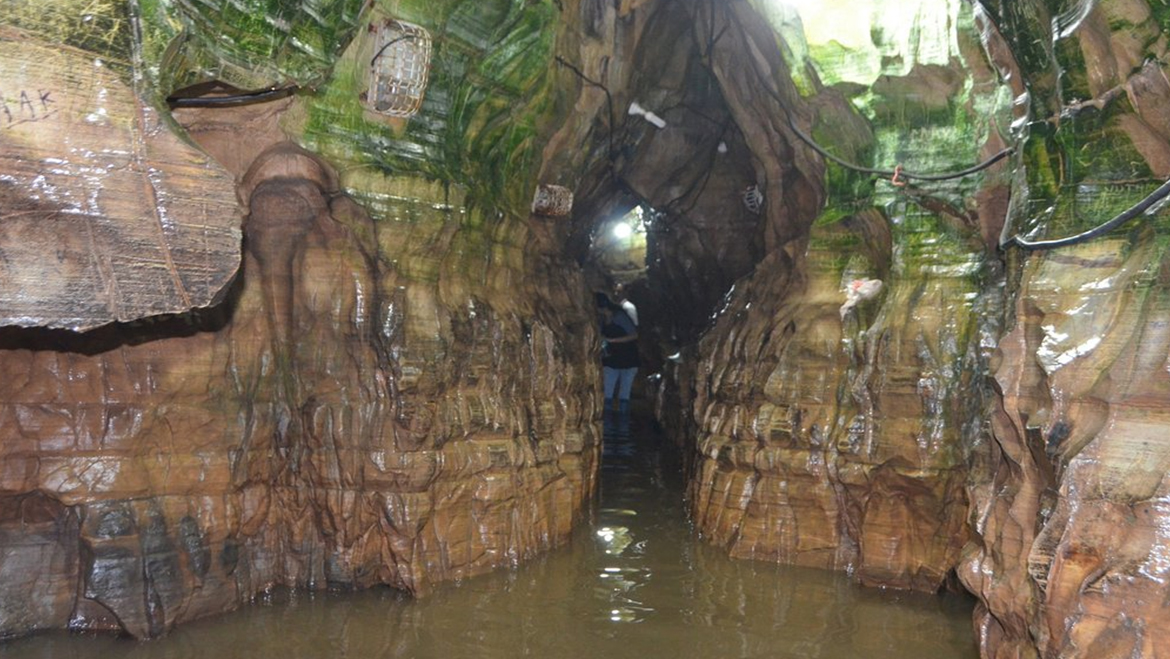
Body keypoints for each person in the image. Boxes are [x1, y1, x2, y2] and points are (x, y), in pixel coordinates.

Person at [596, 293, 639, 414]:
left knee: (624, 394)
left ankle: (622, 422)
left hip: (628, 358)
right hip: (611, 359)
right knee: (607, 393)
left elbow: (634, 335)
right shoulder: (602, 319)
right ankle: (608, 422)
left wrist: (611, 340)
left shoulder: (619, 317)